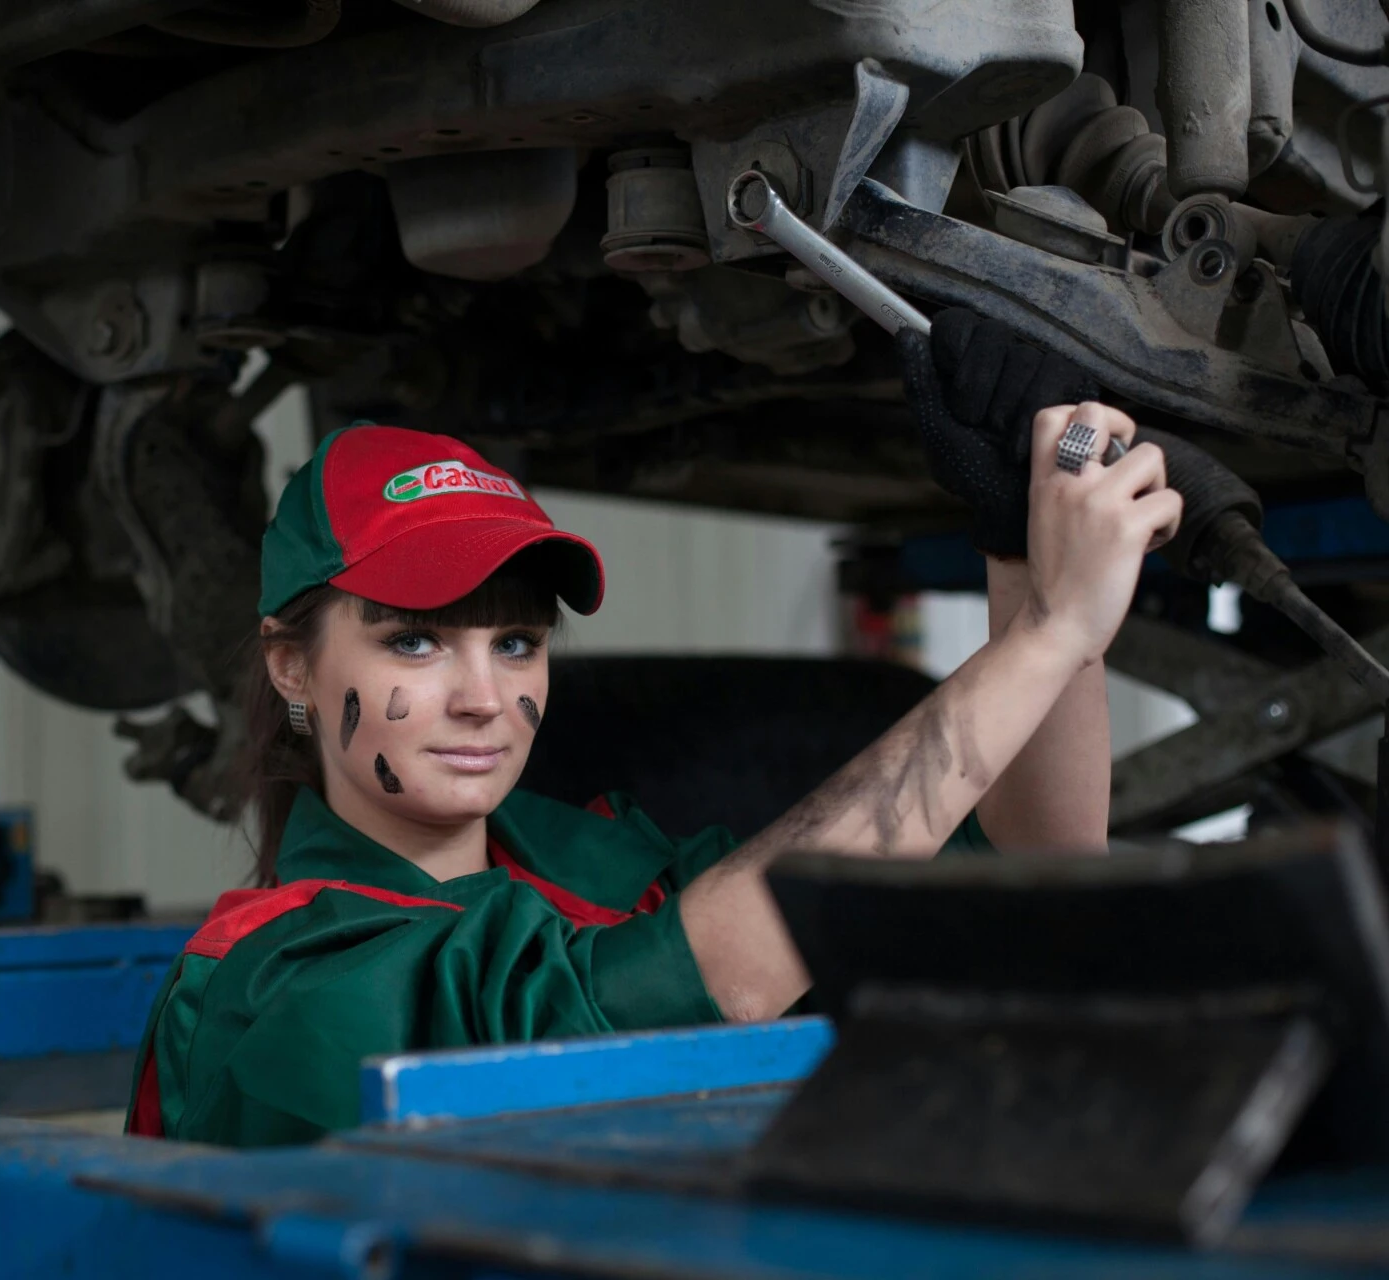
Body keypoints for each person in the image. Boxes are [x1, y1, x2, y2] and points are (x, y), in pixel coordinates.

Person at [124, 314, 1181, 1147]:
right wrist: (1047, 634)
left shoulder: (585, 857)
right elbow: (649, 1000)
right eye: (415, 643)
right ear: (293, 665)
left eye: (517, 642)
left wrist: (1018, 548)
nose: (485, 695)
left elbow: (1028, 875)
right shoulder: (271, 982)